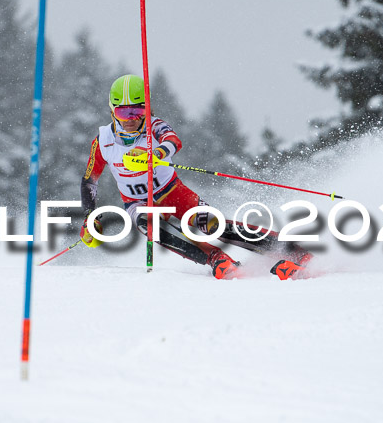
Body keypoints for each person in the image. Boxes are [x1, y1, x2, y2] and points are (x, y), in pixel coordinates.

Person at [79, 74, 311, 280]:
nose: (130, 119)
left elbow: (173, 140)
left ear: (147, 110)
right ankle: (216, 259)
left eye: (137, 111)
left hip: (172, 192)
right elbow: (90, 181)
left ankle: (293, 250)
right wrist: (90, 217)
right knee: (150, 226)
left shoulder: (154, 127)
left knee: (212, 225)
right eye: (123, 112)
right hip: (137, 203)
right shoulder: (103, 141)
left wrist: (156, 153)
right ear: (112, 111)